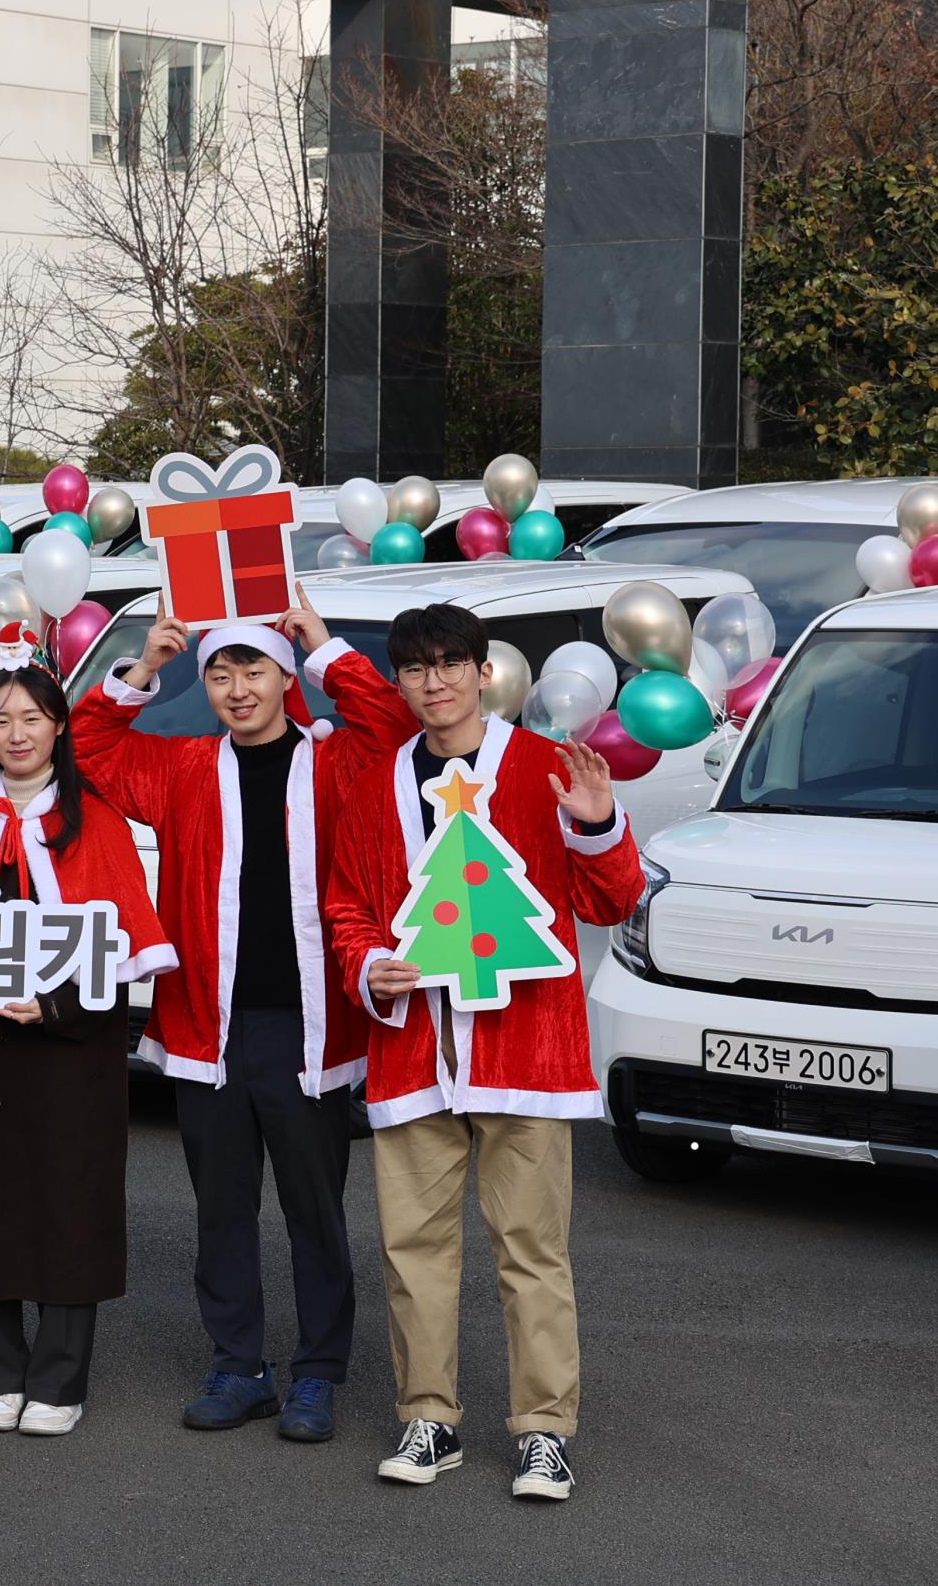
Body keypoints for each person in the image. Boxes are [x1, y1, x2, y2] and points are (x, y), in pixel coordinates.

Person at [69, 594, 414, 1443]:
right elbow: (87, 745)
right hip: (207, 1029)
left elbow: (395, 721)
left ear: (283, 674)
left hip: (308, 1028)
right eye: (218, 671)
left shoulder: (339, 762)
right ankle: (237, 1364)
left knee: (314, 1209)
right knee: (221, 1207)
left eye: (253, 667)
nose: (235, 687)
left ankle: (319, 1373)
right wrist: (146, 668)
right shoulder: (184, 766)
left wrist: (324, 643)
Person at [322, 603, 641, 1503]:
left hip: (526, 1055)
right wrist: (365, 966)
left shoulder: (546, 768)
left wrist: (598, 821)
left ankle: (545, 1430)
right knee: (412, 1247)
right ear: (399, 681)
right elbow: (347, 903)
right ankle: (430, 1416)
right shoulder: (377, 780)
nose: (435, 682)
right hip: (413, 1051)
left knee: (532, 1250)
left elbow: (613, 902)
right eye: (417, 668)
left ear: (482, 670)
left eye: (450, 663)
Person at [0, 628, 176, 1437]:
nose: (16, 733)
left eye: (32, 717)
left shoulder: (101, 822)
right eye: (0, 719)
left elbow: (126, 949)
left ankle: (58, 1375)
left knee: (68, 1200)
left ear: (59, 725)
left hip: (68, 1049)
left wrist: (54, 1007)